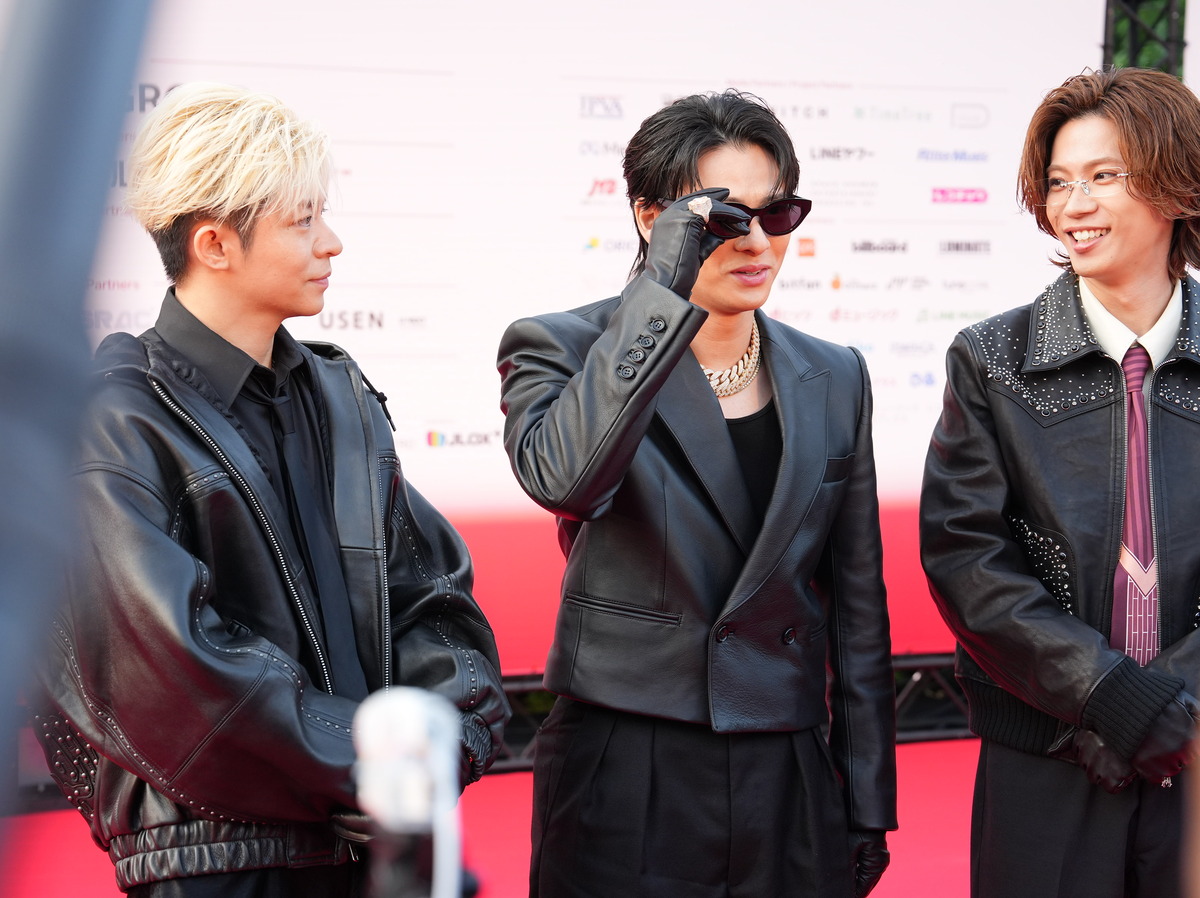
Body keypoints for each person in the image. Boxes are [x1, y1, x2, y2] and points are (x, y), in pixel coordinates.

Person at [35, 82, 510, 897]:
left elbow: (429, 597)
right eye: (302, 221)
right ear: (215, 244)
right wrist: (378, 764)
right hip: (222, 864)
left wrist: (441, 744)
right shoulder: (112, 419)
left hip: (377, 853)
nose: (332, 243)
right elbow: (173, 672)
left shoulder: (340, 396)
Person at [497, 90, 897, 898]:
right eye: (723, 218)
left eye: (775, 214)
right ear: (653, 218)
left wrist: (866, 798)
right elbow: (566, 480)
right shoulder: (564, 346)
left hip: (785, 757)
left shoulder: (834, 374)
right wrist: (664, 287)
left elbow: (858, 606)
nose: (756, 241)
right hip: (627, 757)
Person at [920, 67, 1200, 898]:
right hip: (1047, 751)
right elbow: (967, 561)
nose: (1074, 205)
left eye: (1103, 176)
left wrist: (1172, 707)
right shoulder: (992, 360)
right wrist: (1111, 699)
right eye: (1058, 183)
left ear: (1176, 184)